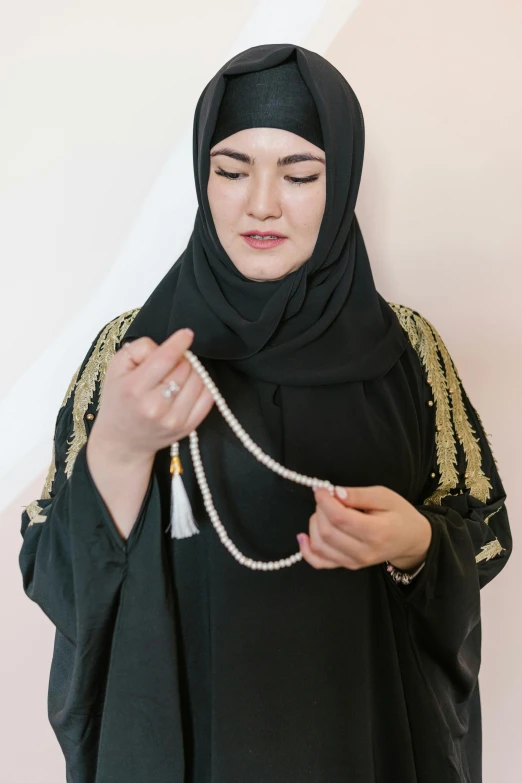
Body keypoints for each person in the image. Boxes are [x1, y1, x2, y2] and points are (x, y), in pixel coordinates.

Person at [19, 44, 512, 783]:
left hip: (362, 743)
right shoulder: (136, 354)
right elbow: (52, 570)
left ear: (339, 177)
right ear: (202, 176)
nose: (261, 204)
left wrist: (415, 543)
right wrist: (121, 448)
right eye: (232, 169)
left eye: (300, 174)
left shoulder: (404, 347)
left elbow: (486, 534)